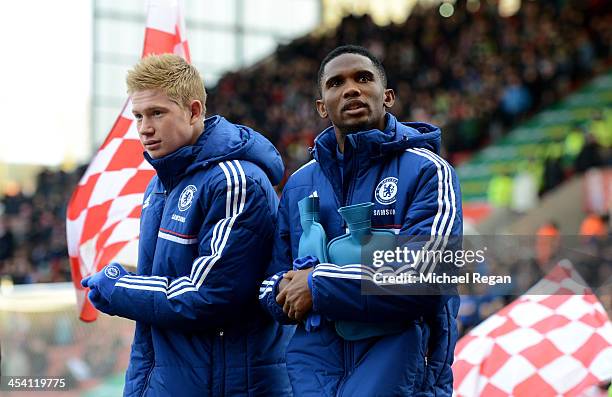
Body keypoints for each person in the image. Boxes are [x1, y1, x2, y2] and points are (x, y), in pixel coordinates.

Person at [81, 54, 292, 397]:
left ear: (194, 111)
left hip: (223, 386)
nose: (144, 128)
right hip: (167, 381)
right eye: (138, 116)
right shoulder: (159, 185)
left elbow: (209, 295)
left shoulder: (234, 181)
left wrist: (121, 288)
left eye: (157, 113)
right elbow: (166, 278)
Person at [259, 45, 462, 396]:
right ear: (322, 106)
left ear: (387, 97)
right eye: (336, 83)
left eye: (363, 78)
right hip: (312, 382)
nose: (351, 88)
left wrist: (317, 286)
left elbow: (427, 278)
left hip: (401, 380)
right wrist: (282, 290)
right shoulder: (299, 186)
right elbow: (269, 284)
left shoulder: (428, 171)